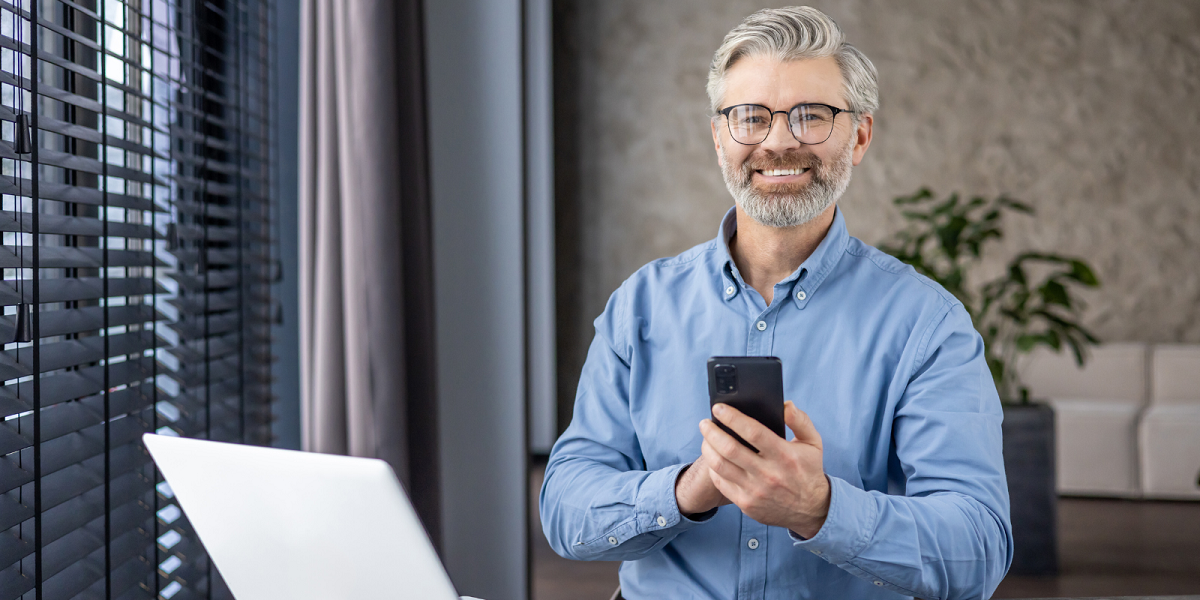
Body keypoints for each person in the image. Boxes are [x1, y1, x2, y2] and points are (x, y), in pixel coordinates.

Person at [540, 6, 1012, 600]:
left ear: (859, 135)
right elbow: (565, 511)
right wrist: (688, 489)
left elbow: (979, 549)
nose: (779, 141)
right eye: (750, 117)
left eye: (812, 116)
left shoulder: (928, 324)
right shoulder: (641, 307)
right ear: (719, 137)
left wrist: (820, 508)